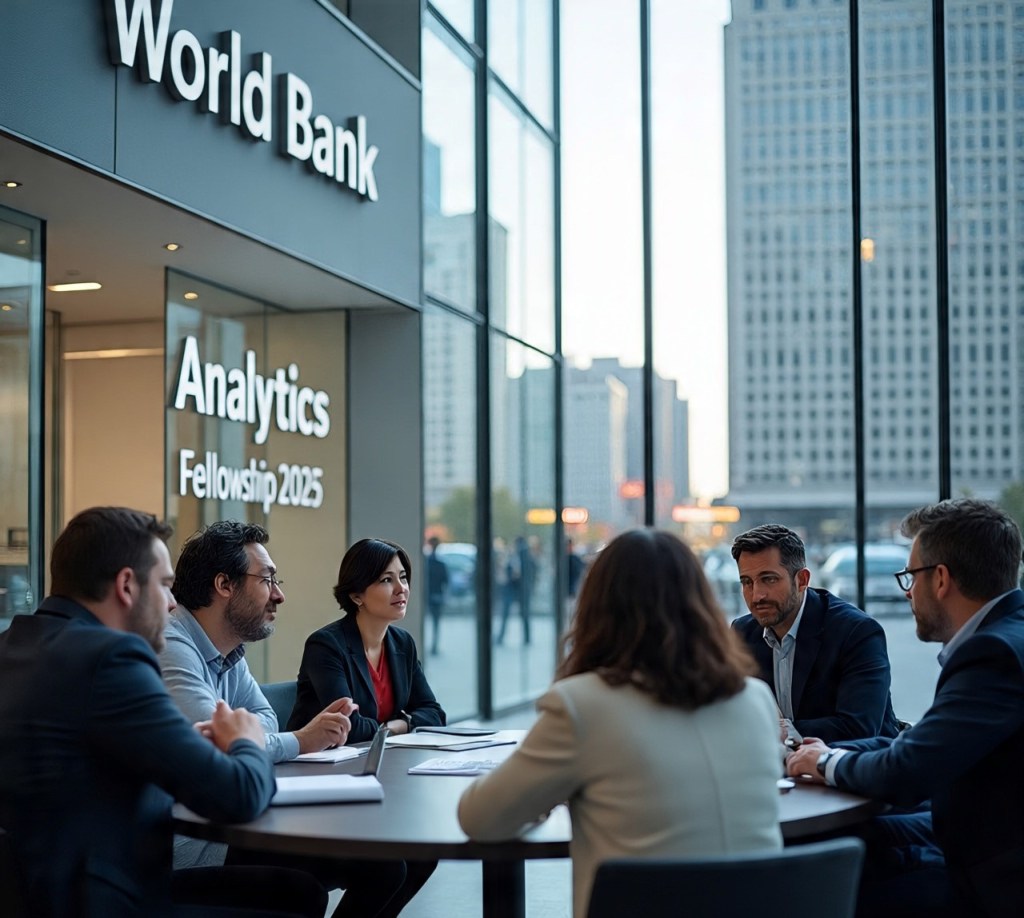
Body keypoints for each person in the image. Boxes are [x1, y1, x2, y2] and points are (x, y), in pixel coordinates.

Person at [0, 506, 326, 918]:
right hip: (111, 898)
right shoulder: (113, 660)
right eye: (166, 585)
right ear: (126, 586)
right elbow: (235, 796)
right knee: (297, 901)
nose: (173, 604)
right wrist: (246, 740)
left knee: (296, 891)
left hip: (36, 893)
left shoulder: (12, 645)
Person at [458, 528, 783, 918]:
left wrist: (542, 794)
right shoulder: (754, 700)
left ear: (596, 607)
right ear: (702, 605)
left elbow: (480, 818)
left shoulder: (582, 706)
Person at [161, 521, 415, 918]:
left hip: (236, 816)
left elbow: (261, 720)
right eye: (267, 580)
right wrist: (301, 739)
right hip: (197, 844)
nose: (278, 594)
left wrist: (249, 736)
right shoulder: (173, 646)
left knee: (391, 866)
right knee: (310, 890)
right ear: (224, 585)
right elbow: (218, 745)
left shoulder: (229, 653)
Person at [786, 499, 1024, 918]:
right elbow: (922, 741)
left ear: (942, 579)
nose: (908, 590)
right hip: (979, 830)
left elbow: (908, 771)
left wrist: (825, 763)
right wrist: (827, 753)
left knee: (825, 868)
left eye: (910, 577)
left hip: (991, 869)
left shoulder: (993, 653)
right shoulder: (1006, 634)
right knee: (854, 837)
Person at [288, 537, 443, 917]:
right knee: (389, 867)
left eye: (403, 577)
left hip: (376, 778)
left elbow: (434, 713)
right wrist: (401, 724)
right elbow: (348, 727)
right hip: (319, 789)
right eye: (387, 580)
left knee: (422, 857)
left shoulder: (402, 644)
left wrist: (395, 725)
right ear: (357, 594)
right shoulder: (327, 645)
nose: (401, 588)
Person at [731, 523, 901, 743]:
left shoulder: (856, 632)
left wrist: (778, 731)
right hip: (774, 769)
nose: (757, 596)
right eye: (747, 582)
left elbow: (859, 727)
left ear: (802, 580)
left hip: (850, 771)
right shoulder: (742, 633)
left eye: (769, 579)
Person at [496, 534, 536, 645]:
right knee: (518, 615)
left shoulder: (521, 557)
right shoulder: (520, 557)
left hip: (517, 589)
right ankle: (525, 638)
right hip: (514, 588)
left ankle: (523, 638)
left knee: (516, 615)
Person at [424, 535, 448, 655]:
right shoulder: (440, 564)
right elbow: (445, 581)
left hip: (427, 595)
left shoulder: (425, 563)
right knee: (435, 623)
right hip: (437, 595)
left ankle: (429, 644)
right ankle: (434, 645)